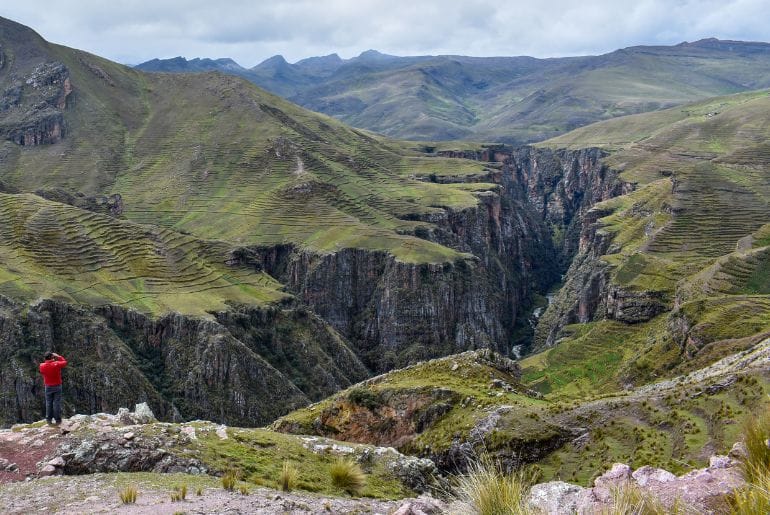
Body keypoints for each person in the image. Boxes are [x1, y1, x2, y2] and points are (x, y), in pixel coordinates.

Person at [39, 352, 68, 425]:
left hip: (48, 386)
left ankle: (49, 419)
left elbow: (42, 372)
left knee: (48, 403)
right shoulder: (57, 364)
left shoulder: (42, 366)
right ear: (52, 357)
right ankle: (58, 420)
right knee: (56, 403)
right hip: (57, 386)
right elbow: (65, 362)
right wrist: (58, 356)